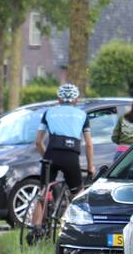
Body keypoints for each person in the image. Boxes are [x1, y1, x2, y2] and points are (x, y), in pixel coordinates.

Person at [30, 83, 94, 228]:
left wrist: (45, 156)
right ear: (76, 99)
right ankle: (67, 224)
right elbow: (89, 144)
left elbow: (38, 142)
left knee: (43, 193)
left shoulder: (48, 112)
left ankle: (35, 229)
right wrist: (90, 167)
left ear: (58, 98)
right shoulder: (82, 115)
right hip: (71, 157)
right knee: (78, 194)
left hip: (51, 154)